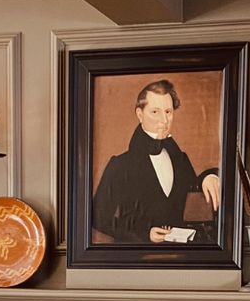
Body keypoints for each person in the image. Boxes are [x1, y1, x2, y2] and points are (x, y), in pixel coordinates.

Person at [91, 80, 220, 244]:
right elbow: (97, 218)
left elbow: (194, 185)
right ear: (140, 114)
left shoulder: (180, 159)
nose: (164, 120)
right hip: (134, 260)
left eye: (168, 112)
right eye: (155, 112)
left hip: (178, 259)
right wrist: (144, 233)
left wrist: (209, 177)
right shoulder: (120, 165)